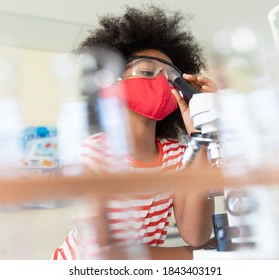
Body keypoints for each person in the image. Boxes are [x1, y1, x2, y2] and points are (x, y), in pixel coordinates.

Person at [52, 4, 217, 260]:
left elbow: (196, 235)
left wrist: (201, 133)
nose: (162, 82)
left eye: (172, 77)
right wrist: (192, 255)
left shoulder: (180, 155)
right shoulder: (93, 153)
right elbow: (103, 254)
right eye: (148, 72)